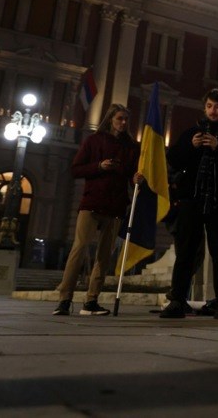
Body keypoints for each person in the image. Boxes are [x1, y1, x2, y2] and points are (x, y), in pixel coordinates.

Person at [160, 88, 218, 319]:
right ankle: (177, 300)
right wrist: (191, 146)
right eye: (209, 106)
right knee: (186, 251)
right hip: (192, 200)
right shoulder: (192, 132)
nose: (213, 110)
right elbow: (174, 160)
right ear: (205, 107)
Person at [54, 103, 140, 316]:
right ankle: (65, 299)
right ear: (110, 118)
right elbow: (75, 169)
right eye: (119, 118)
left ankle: (91, 301)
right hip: (92, 203)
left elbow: (132, 174)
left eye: (126, 119)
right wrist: (99, 166)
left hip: (117, 205)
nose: (123, 123)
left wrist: (136, 178)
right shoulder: (94, 140)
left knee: (105, 256)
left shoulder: (131, 146)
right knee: (79, 248)